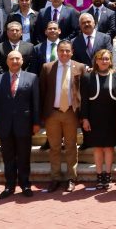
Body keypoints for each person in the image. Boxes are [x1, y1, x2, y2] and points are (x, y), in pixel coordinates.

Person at [0, 51, 40, 198]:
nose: (15, 61)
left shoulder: (32, 77)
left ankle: (25, 184)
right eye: (12, 59)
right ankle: (9, 186)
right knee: (8, 157)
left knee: (24, 156)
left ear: (22, 61)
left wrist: (36, 122)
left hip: (24, 124)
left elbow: (35, 102)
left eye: (17, 58)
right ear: (7, 61)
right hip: (5, 125)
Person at [38, 40, 86, 192]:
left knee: (71, 146)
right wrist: (42, 115)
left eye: (67, 51)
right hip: (52, 113)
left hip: (71, 112)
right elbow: (42, 91)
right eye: (61, 50)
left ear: (72, 52)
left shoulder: (80, 67)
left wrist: (83, 114)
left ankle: (71, 177)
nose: (64, 53)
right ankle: (55, 177)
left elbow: (83, 91)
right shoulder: (47, 67)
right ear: (57, 52)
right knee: (54, 147)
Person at [81, 48, 116, 191]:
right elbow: (84, 100)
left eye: (106, 59)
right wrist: (85, 118)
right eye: (101, 59)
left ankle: (108, 175)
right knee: (98, 147)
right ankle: (99, 175)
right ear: (96, 61)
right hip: (94, 117)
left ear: (110, 61)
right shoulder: (88, 77)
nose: (104, 61)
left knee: (109, 147)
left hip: (112, 117)